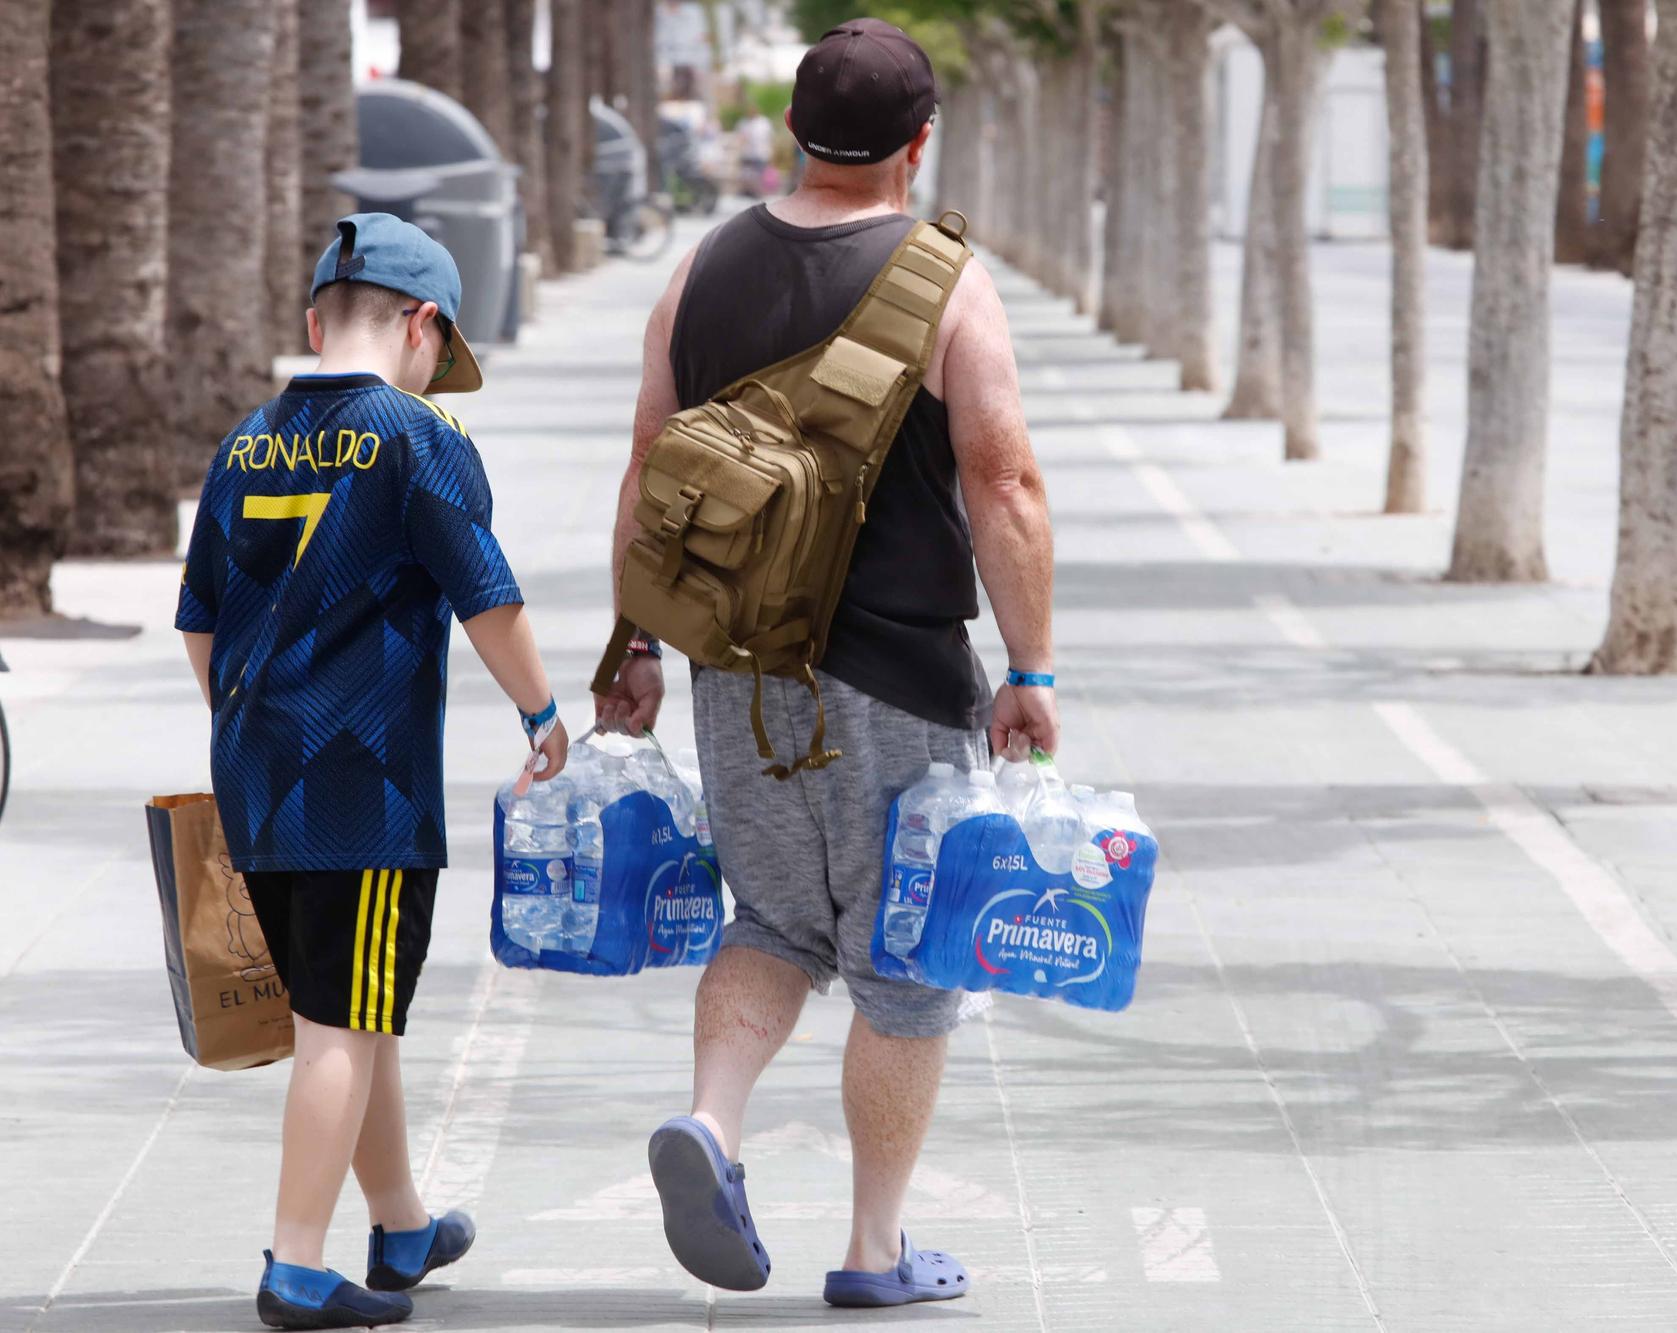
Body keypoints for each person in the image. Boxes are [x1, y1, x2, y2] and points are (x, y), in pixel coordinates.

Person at [595, 16, 1058, 1311]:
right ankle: (872, 1250)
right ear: (919, 144)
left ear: (795, 132)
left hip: (738, 669)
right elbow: (1002, 475)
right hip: (900, 682)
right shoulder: (944, 279)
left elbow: (648, 471)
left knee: (777, 921)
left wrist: (632, 646)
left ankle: (712, 1121)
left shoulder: (701, 270)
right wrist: (1035, 665)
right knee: (908, 967)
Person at [176, 213, 570, 1329]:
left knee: (348, 1003)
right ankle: (296, 1265)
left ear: (314, 319)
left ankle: (399, 1224)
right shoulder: (416, 436)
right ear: (423, 326)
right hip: (365, 789)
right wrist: (542, 711)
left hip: (257, 774)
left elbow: (199, 618)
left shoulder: (244, 440)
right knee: (340, 1028)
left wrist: (249, 719)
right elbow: (486, 596)